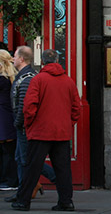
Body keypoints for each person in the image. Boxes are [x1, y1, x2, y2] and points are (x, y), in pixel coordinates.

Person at [12, 49, 80, 212]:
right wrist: (67, 123)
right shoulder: (68, 81)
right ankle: (66, 201)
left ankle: (23, 201)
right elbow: (76, 108)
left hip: (40, 131)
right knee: (63, 169)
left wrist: (29, 124)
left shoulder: (38, 80)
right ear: (58, 61)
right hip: (61, 132)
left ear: (42, 61)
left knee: (31, 167)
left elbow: (29, 106)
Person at [5, 46, 55, 205]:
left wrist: (18, 122)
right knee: (21, 158)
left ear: (21, 59)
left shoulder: (26, 78)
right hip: (24, 126)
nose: (13, 59)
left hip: (26, 126)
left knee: (28, 159)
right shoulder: (24, 76)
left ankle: (58, 179)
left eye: (15, 56)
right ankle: (23, 191)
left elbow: (25, 105)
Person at [0, 50, 18, 191]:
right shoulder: (12, 77)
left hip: (3, 117)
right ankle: (11, 179)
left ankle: (8, 180)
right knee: (9, 150)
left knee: (6, 150)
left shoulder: (2, 79)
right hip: (9, 116)